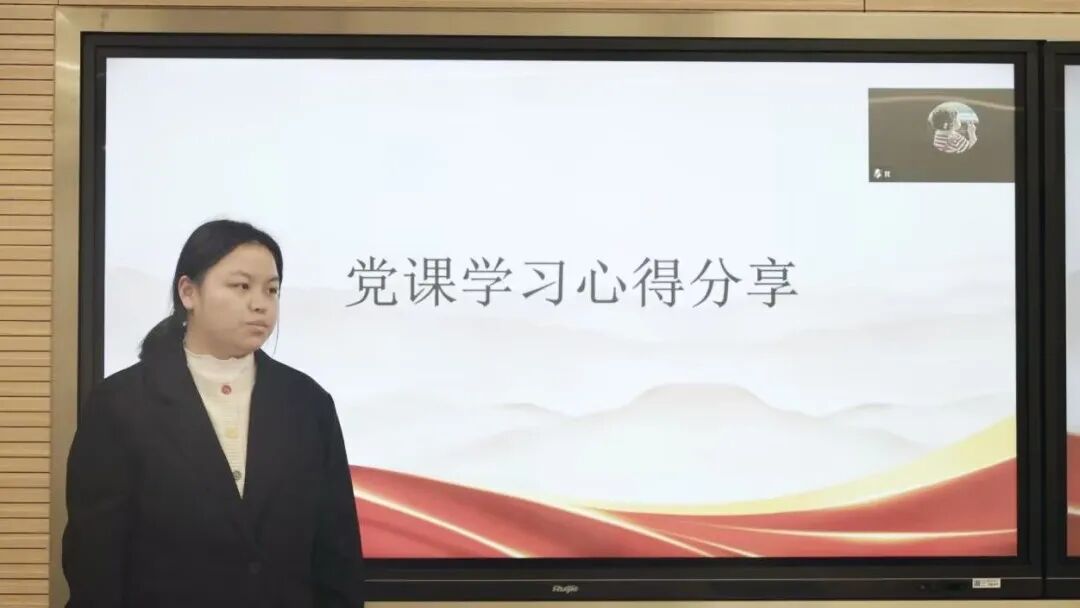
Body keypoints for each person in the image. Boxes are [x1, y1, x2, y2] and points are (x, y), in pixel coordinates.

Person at [62, 219, 362, 607]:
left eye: (271, 290)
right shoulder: (121, 403)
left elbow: (338, 553)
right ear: (189, 292)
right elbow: (94, 560)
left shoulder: (307, 403)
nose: (260, 303)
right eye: (241, 286)